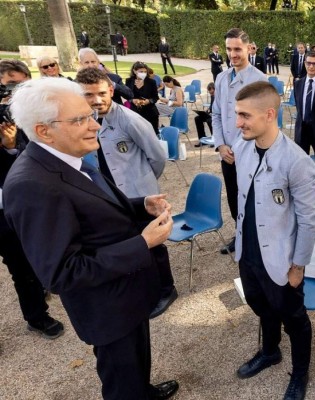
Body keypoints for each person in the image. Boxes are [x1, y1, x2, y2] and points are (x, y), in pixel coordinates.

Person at [4, 78, 179, 400]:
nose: (94, 126)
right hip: (106, 307)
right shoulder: (33, 185)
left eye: (90, 116)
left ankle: (144, 391)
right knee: (120, 379)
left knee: (135, 364)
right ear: (44, 131)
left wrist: (140, 205)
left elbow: (92, 211)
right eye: (79, 120)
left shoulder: (65, 157)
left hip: (125, 296)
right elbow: (62, 272)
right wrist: (143, 243)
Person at [232, 81, 315, 400]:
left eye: (244, 115)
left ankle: (299, 374)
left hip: (282, 261)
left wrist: (298, 267)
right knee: (261, 306)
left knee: (294, 320)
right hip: (249, 254)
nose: (238, 123)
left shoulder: (297, 161)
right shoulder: (243, 148)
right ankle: (270, 351)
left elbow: (310, 220)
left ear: (269, 114)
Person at [76, 68, 176, 319]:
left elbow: (157, 157)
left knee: (154, 246)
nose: (96, 100)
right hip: (111, 194)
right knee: (131, 242)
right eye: (89, 94)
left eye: (101, 93)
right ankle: (145, 287)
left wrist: (143, 181)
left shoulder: (130, 120)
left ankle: (167, 289)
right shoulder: (87, 120)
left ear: (111, 90)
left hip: (139, 194)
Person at [0, 59, 64, 339]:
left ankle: (37, 313)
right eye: (8, 84)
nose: (12, 89)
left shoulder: (25, 114)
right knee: (20, 265)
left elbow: (32, 155)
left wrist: (11, 148)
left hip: (18, 203)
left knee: (26, 262)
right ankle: (37, 310)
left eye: (17, 83)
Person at [212, 27, 267, 255]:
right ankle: (240, 233)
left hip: (251, 154)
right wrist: (220, 145)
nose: (233, 54)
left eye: (237, 49)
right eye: (229, 49)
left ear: (248, 48)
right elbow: (216, 113)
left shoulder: (259, 80)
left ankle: (258, 239)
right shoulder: (222, 77)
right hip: (227, 154)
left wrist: (239, 148)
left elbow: (264, 122)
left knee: (255, 199)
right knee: (234, 197)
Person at [125, 61, 160, 135]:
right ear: (134, 71)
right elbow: (126, 96)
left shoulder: (151, 82)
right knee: (137, 134)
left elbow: (155, 97)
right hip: (134, 113)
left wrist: (148, 101)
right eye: (141, 71)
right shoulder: (129, 81)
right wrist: (132, 100)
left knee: (152, 134)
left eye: (145, 71)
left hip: (150, 113)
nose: (143, 73)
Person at [194, 82, 215, 147]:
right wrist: (208, 111)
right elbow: (211, 107)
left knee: (210, 120)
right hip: (211, 115)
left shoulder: (221, 97)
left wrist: (212, 113)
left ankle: (214, 139)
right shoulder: (212, 96)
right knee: (197, 118)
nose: (211, 93)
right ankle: (202, 138)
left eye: (212, 92)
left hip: (216, 116)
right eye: (210, 92)